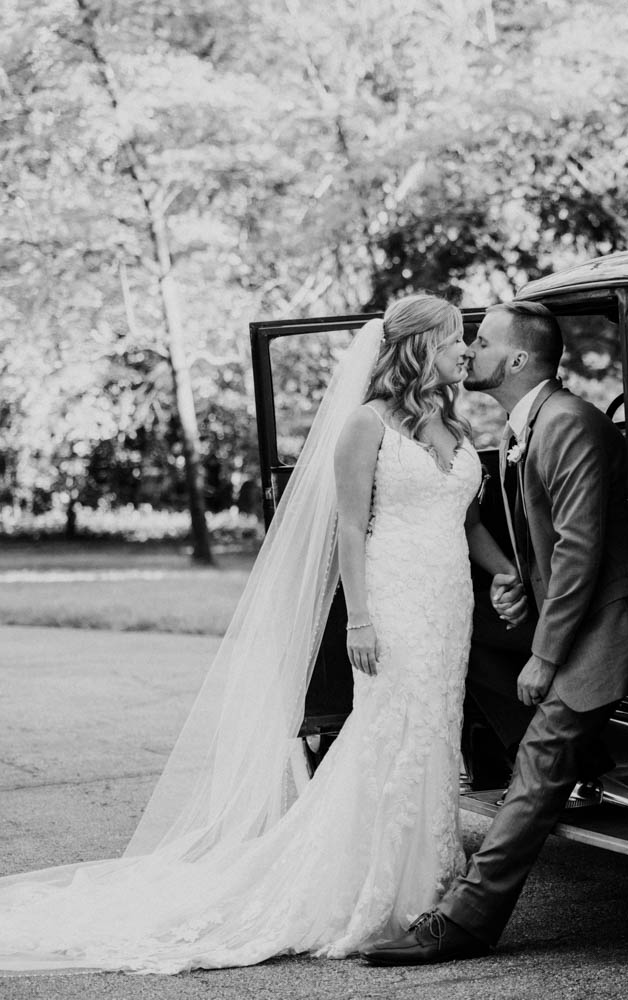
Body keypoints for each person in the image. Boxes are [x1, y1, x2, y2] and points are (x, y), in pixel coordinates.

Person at [0, 294, 489, 973]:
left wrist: (503, 575)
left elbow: (461, 520)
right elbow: (350, 527)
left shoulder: (453, 425)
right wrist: (360, 617)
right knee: (393, 726)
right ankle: (374, 885)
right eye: (455, 339)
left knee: (437, 722)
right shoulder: (366, 425)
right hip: (395, 593)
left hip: (450, 597)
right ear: (418, 347)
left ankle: (428, 875)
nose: (466, 349)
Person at [361, 299, 628, 965]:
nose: (467, 353)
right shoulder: (527, 421)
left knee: (538, 766)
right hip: (552, 610)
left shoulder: (566, 423)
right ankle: (591, 759)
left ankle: (464, 923)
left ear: (514, 360)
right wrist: (512, 581)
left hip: (599, 630)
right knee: (478, 643)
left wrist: (544, 658)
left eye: (479, 342)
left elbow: (578, 554)